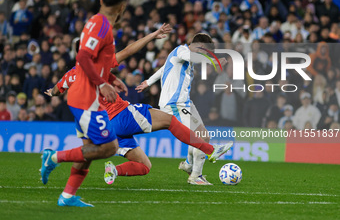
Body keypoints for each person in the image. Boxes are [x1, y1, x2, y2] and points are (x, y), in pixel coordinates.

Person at [46, 30, 231, 186]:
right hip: (121, 115)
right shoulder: (99, 66)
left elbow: (56, 90)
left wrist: (52, 92)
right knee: (170, 121)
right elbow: (127, 51)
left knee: (144, 166)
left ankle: (113, 170)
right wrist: (152, 35)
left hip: (108, 128)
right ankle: (210, 151)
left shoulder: (70, 76)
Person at [40, 0, 129, 208]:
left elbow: (93, 59)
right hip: (87, 98)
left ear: (101, 0)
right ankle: (53, 157)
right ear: (122, 7)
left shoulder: (94, 21)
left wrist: (109, 77)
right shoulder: (103, 26)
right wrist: (102, 84)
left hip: (86, 95)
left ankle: (68, 196)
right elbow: (83, 55)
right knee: (109, 147)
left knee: (89, 149)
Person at [136, 33, 231, 185]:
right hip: (174, 104)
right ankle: (196, 176)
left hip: (185, 103)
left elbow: (163, 69)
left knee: (203, 136)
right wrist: (212, 60)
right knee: (199, 136)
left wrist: (148, 81)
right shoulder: (181, 51)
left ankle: (188, 164)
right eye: (205, 51)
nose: (205, 54)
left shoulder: (180, 57)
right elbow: (192, 57)